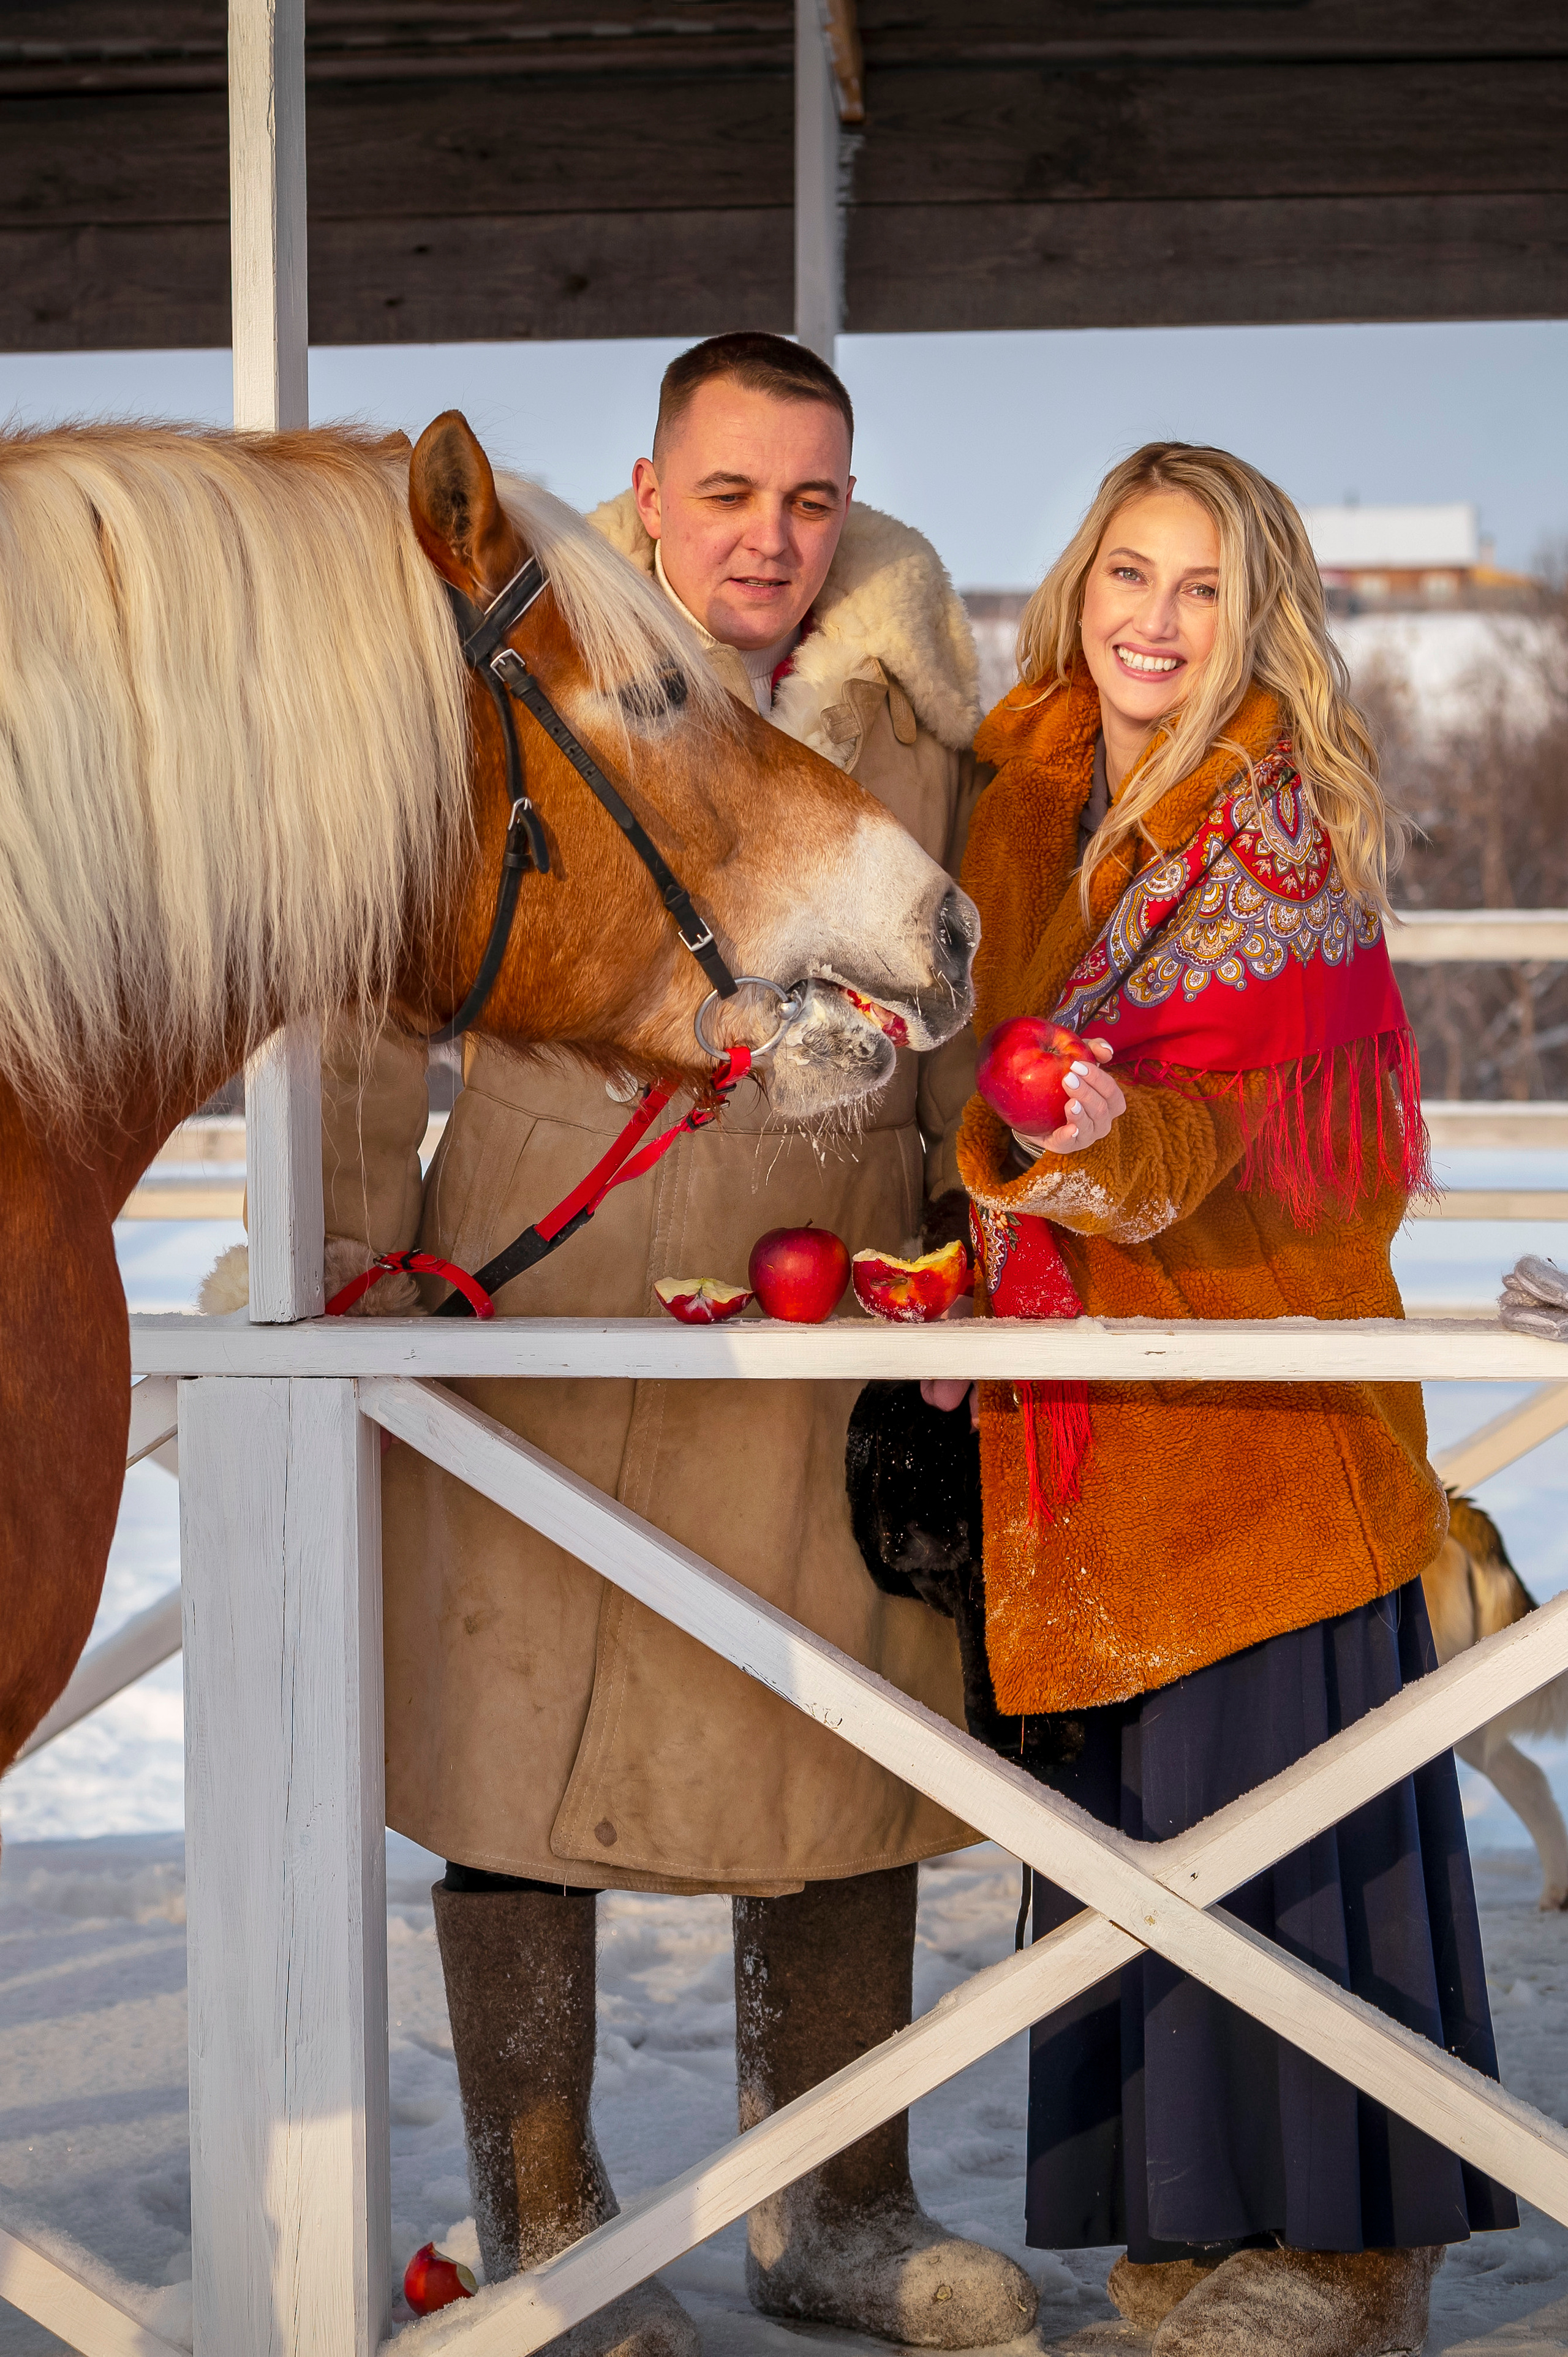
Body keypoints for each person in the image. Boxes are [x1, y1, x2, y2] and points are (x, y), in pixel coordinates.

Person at [310, 335, 1034, 2354]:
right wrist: (357, 1245)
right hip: (555, 1276)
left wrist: (986, 1251)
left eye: (812, 500)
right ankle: (546, 2214)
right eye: (729, 495)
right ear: (647, 489)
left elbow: (1001, 994)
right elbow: (385, 968)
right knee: (510, 1740)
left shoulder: (926, 715)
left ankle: (844, 2210)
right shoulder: (536, 664)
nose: (772, 541)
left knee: (846, 1746)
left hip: (838, 1269)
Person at [927, 442, 1516, 2356]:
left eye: (1203, 589)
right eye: (1130, 574)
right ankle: (1176, 2237)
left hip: (1260, 1415)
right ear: (1080, 582)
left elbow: (1268, 1156)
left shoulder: (1281, 837)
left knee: (1290, 1820)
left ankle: (1355, 2261)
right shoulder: (1016, 796)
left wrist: (1105, 1137)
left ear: (1254, 619)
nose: (1157, 623)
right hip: (1077, 1419)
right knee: (1132, 1837)